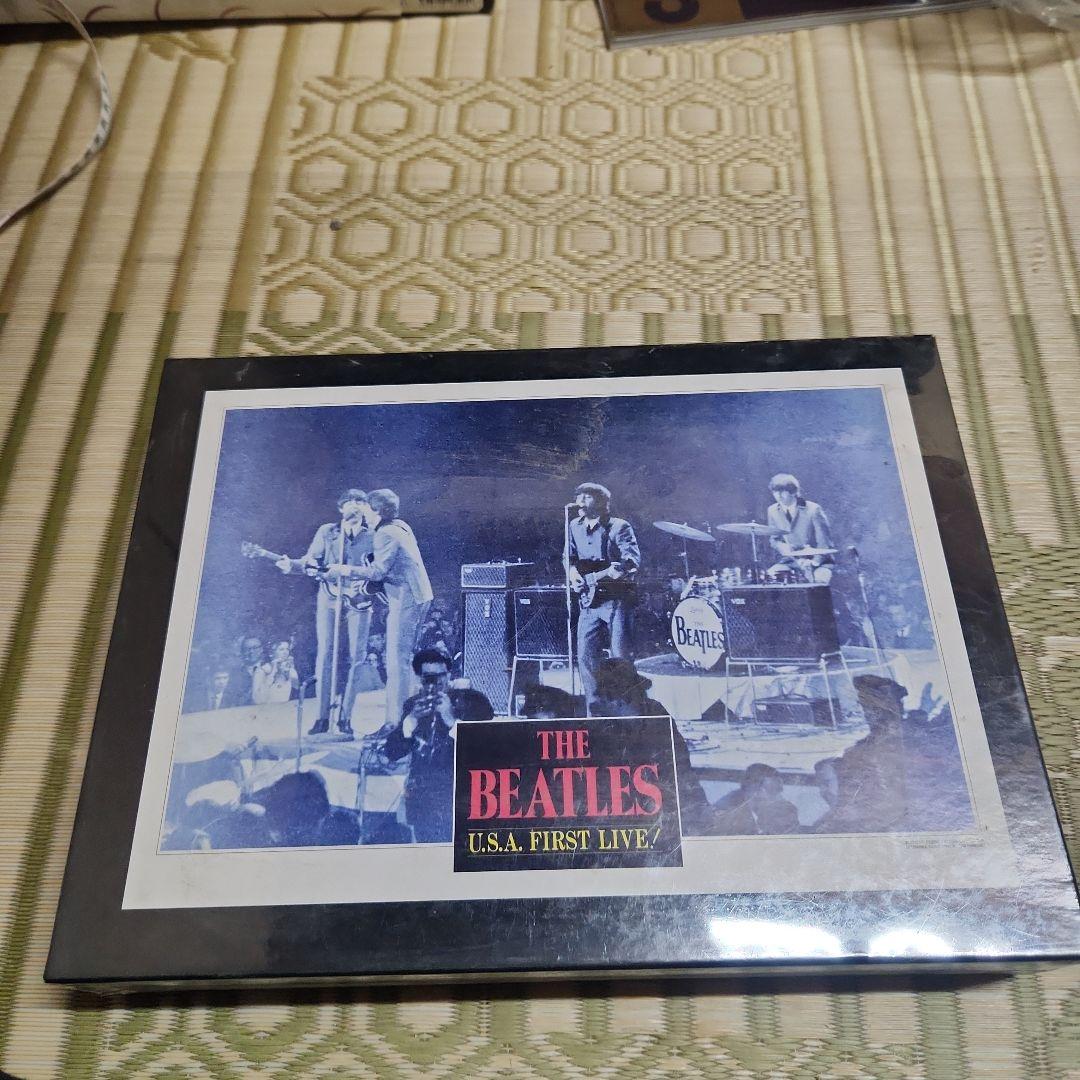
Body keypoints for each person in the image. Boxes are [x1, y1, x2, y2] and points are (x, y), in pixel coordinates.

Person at [277, 489, 374, 736]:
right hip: (329, 598)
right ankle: (322, 717)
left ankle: (345, 717)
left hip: (359, 600)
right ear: (341, 508)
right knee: (326, 654)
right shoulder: (328, 532)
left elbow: (378, 569)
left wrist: (356, 578)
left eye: (360, 502)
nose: (355, 506)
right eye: (350, 502)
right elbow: (310, 561)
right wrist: (292, 566)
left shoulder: (373, 535)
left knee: (357, 656)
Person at [588, 657, 717, 836]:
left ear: (617, 700)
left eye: (602, 699)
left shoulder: (656, 715)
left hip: (662, 809)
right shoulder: (606, 723)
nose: (595, 706)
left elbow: (680, 769)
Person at [382, 648, 494, 842]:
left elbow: (485, 749)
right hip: (423, 804)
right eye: (428, 677)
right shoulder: (413, 705)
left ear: (449, 674)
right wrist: (411, 720)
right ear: (419, 678)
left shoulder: (474, 702)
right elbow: (392, 752)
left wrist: (451, 719)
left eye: (440, 676)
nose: (435, 682)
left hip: (462, 802)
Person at [349, 489, 435, 730]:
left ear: (376, 510)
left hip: (407, 598)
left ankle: (394, 724)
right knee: (403, 660)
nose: (364, 514)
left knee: (396, 662)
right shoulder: (400, 526)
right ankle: (409, 720)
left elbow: (378, 572)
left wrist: (345, 570)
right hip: (416, 595)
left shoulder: (385, 533)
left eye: (367, 509)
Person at [566, 483, 640, 713]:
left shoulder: (618, 527)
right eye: (578, 496)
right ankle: (595, 712)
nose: (579, 501)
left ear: (601, 502)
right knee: (586, 657)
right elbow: (569, 557)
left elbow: (631, 561)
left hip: (616, 600)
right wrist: (573, 573)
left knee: (621, 657)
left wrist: (620, 570)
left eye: (586, 497)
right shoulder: (574, 526)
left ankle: (629, 713)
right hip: (589, 601)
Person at [813, 675, 908, 833]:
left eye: (871, 708)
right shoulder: (866, 745)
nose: (866, 713)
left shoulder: (893, 743)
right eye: (864, 706)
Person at [765, 473, 835, 584]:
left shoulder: (813, 509)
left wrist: (814, 562)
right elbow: (774, 539)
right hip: (790, 562)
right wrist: (783, 547)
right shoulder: (772, 510)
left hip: (818, 563)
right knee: (771, 577)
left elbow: (824, 543)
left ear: (793, 492)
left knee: (819, 582)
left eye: (782, 492)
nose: (778, 495)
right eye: (775, 492)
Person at [714, 763, 800, 835]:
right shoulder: (728, 818)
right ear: (756, 791)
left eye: (779, 791)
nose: (779, 797)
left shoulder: (786, 810)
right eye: (773, 791)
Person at [252, 640, 300, 705]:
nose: (285, 652)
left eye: (287, 649)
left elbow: (297, 690)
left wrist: (289, 672)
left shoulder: (290, 670)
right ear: (271, 653)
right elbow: (257, 700)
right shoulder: (261, 671)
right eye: (281, 649)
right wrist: (273, 673)